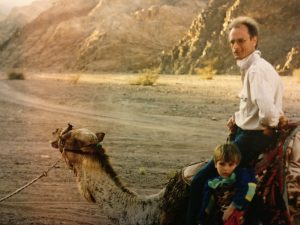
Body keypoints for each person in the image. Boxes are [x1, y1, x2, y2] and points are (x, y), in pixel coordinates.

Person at [186, 16, 284, 225]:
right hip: (248, 133)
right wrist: (239, 118)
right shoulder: (255, 67)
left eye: (241, 41)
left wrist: (269, 125)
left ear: (254, 41)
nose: (235, 46)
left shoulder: (256, 71)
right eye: (232, 42)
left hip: (251, 138)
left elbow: (266, 111)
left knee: (200, 180)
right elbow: (255, 107)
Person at [198, 143, 256, 225]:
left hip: (241, 213)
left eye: (231, 164)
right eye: (222, 164)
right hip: (221, 214)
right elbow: (207, 202)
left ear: (237, 164)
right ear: (215, 164)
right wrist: (201, 219)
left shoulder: (243, 174)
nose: (226, 168)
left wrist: (231, 208)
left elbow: (247, 190)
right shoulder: (212, 182)